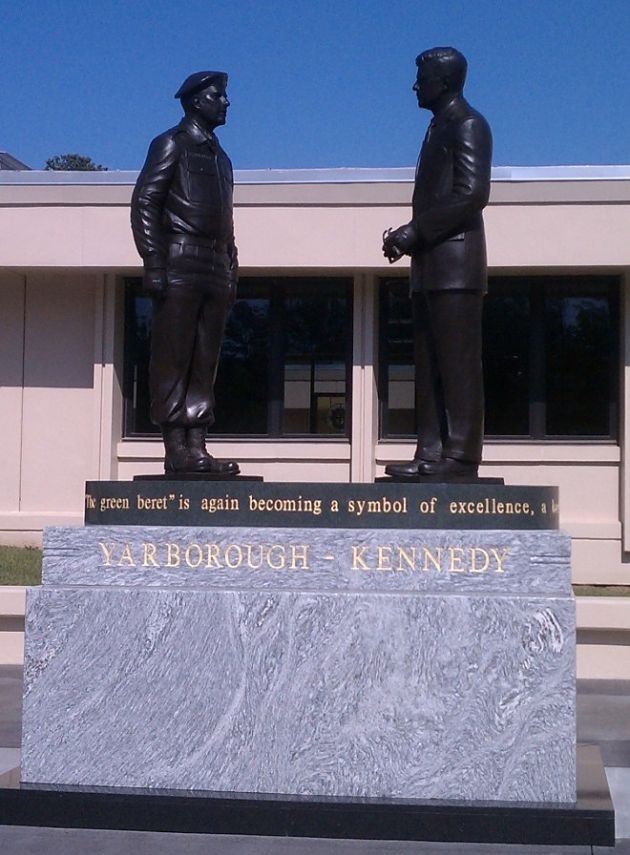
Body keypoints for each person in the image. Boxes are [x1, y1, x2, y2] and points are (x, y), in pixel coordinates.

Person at [383, 47, 492, 481]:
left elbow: (471, 194)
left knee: (457, 364)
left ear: (443, 82)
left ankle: (461, 455)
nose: (415, 86)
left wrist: (414, 231)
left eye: (422, 78)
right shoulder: (436, 128)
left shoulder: (468, 124)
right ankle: (430, 450)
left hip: (456, 266)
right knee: (428, 363)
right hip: (430, 267)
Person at [131, 71, 239, 475]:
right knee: (173, 356)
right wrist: (153, 261)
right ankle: (175, 447)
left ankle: (198, 446)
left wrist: (231, 266)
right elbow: (145, 202)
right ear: (195, 101)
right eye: (218, 95)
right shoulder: (171, 144)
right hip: (180, 259)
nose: (226, 102)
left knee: (205, 360)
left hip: (215, 264)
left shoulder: (222, 158)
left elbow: (226, 220)